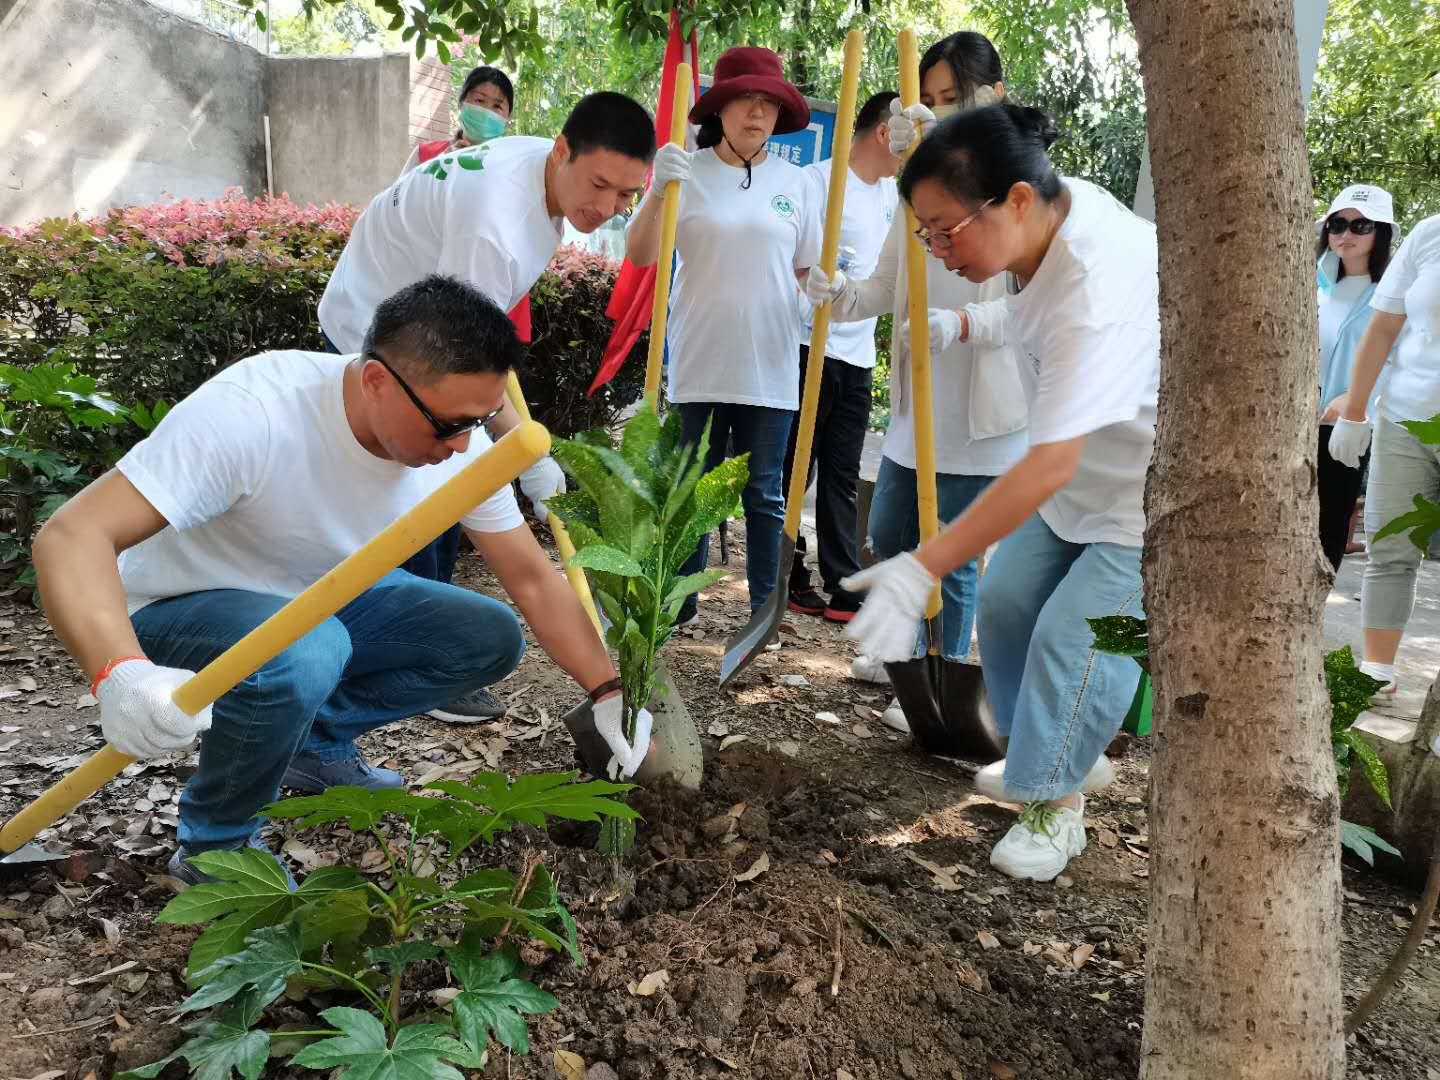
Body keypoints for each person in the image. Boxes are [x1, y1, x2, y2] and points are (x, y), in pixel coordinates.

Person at [32, 277, 654, 888]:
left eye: (481, 421)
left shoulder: (459, 444)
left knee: (484, 634)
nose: (463, 444)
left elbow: (534, 580)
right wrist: (119, 673)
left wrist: (607, 690)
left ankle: (310, 744)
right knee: (304, 651)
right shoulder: (256, 412)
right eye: (448, 424)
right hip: (174, 606)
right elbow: (70, 536)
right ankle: (216, 844)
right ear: (377, 379)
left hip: (312, 598)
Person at [843, 103, 1158, 882]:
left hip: (1148, 491)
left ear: (1015, 199)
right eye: (925, 233)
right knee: (1008, 604)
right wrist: (967, 328)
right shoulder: (1047, 217)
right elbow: (1025, 318)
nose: (937, 250)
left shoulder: (1091, 283)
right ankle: (1051, 764)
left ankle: (1052, 805)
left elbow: (1045, 462)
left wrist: (924, 564)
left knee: (1077, 639)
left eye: (947, 229)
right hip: (1082, 471)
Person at [320, 91, 654, 721]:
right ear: (562, 150)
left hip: (418, 315)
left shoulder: (540, 174)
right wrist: (523, 451)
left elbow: (476, 332)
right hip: (372, 328)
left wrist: (520, 442)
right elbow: (459, 368)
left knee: (440, 489)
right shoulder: (493, 228)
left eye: (625, 197)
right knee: (417, 493)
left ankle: (407, 640)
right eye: (600, 185)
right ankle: (391, 661)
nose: (607, 208)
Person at [805, 32, 1028, 733]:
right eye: (928, 100)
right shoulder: (916, 192)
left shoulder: (1018, 185)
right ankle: (905, 648)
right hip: (917, 403)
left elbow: (1027, 310)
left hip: (981, 412)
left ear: (993, 95)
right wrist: (834, 291)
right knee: (893, 526)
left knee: (953, 559)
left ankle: (940, 677)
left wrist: (961, 326)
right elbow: (879, 288)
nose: (939, 111)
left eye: (952, 98)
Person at [624, 47, 821, 625]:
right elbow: (640, 254)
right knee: (689, 491)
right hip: (699, 358)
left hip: (770, 361)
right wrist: (658, 189)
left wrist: (830, 288)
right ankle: (679, 603)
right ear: (721, 108)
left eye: (768, 103)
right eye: (745, 100)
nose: (757, 113)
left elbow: (808, 271)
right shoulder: (688, 170)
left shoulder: (799, 182)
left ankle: (764, 611)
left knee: (763, 494)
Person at [781, 91, 901, 625]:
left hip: (857, 352)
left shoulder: (897, 196)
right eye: (904, 136)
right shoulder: (818, 181)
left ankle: (842, 580)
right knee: (794, 466)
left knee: (842, 472)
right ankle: (787, 571)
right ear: (882, 131)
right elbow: (792, 261)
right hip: (811, 343)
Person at [1327, 208, 1440, 707]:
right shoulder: (1431, 233)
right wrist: (1355, 413)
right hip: (1406, 416)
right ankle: (1377, 669)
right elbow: (1382, 328)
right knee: (1391, 546)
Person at [1314, 185, 1398, 571]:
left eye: (1360, 225)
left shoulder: (1392, 296)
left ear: (1380, 233)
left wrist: (1354, 400)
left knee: (1329, 524)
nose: (1346, 234)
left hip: (1346, 428)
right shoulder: (1310, 285)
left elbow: (1395, 360)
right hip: (1289, 423)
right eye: (1337, 224)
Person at [400, 65, 517, 174]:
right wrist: (441, 164)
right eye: (480, 100)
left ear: (508, 117)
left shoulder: (513, 165)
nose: (486, 112)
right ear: (461, 103)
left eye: (497, 106)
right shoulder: (425, 154)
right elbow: (401, 194)